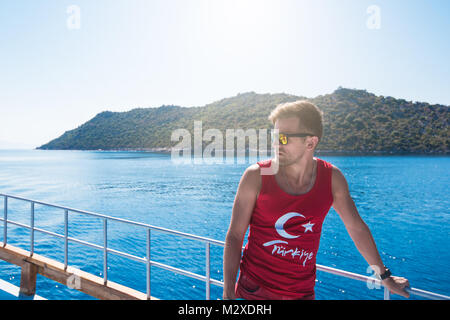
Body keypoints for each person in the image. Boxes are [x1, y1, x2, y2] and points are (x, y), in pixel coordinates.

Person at [222, 100, 410, 300]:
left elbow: (356, 227)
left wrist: (385, 276)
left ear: (310, 142)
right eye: (274, 137)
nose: (276, 144)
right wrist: (227, 295)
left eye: (284, 138)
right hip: (254, 292)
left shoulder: (331, 179)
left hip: (301, 293)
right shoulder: (257, 176)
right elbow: (235, 235)